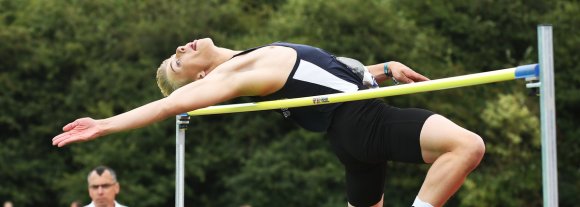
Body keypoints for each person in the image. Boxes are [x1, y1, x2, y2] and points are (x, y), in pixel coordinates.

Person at [53, 38, 485, 207]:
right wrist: (105, 125)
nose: (181, 49)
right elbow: (169, 105)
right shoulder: (230, 74)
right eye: (177, 61)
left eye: (176, 51)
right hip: (364, 119)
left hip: (349, 133)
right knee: (467, 146)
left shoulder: (252, 61)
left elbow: (326, 77)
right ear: (199, 78)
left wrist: (383, 68)